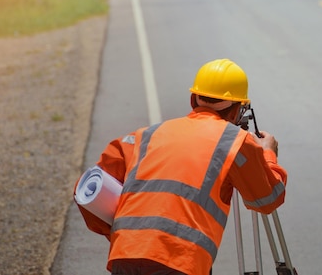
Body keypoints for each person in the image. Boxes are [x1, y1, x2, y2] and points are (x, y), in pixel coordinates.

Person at [75, 58, 287, 275]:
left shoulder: (146, 136)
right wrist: (267, 153)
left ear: (193, 99)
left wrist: (124, 234)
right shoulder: (236, 141)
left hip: (126, 256)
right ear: (238, 111)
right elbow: (267, 199)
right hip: (180, 263)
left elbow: (87, 191)